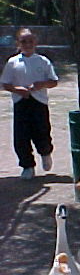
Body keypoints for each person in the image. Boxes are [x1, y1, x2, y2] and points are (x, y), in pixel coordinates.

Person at [0, 28, 58, 180]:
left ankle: (45, 153)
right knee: (21, 136)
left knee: (42, 131)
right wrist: (16, 89)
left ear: (35, 42)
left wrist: (42, 84)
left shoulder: (43, 61)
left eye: (30, 41)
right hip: (21, 102)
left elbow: (53, 81)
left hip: (39, 102)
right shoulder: (12, 62)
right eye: (23, 41)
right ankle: (27, 165)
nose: (27, 44)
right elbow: (5, 83)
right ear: (18, 43)